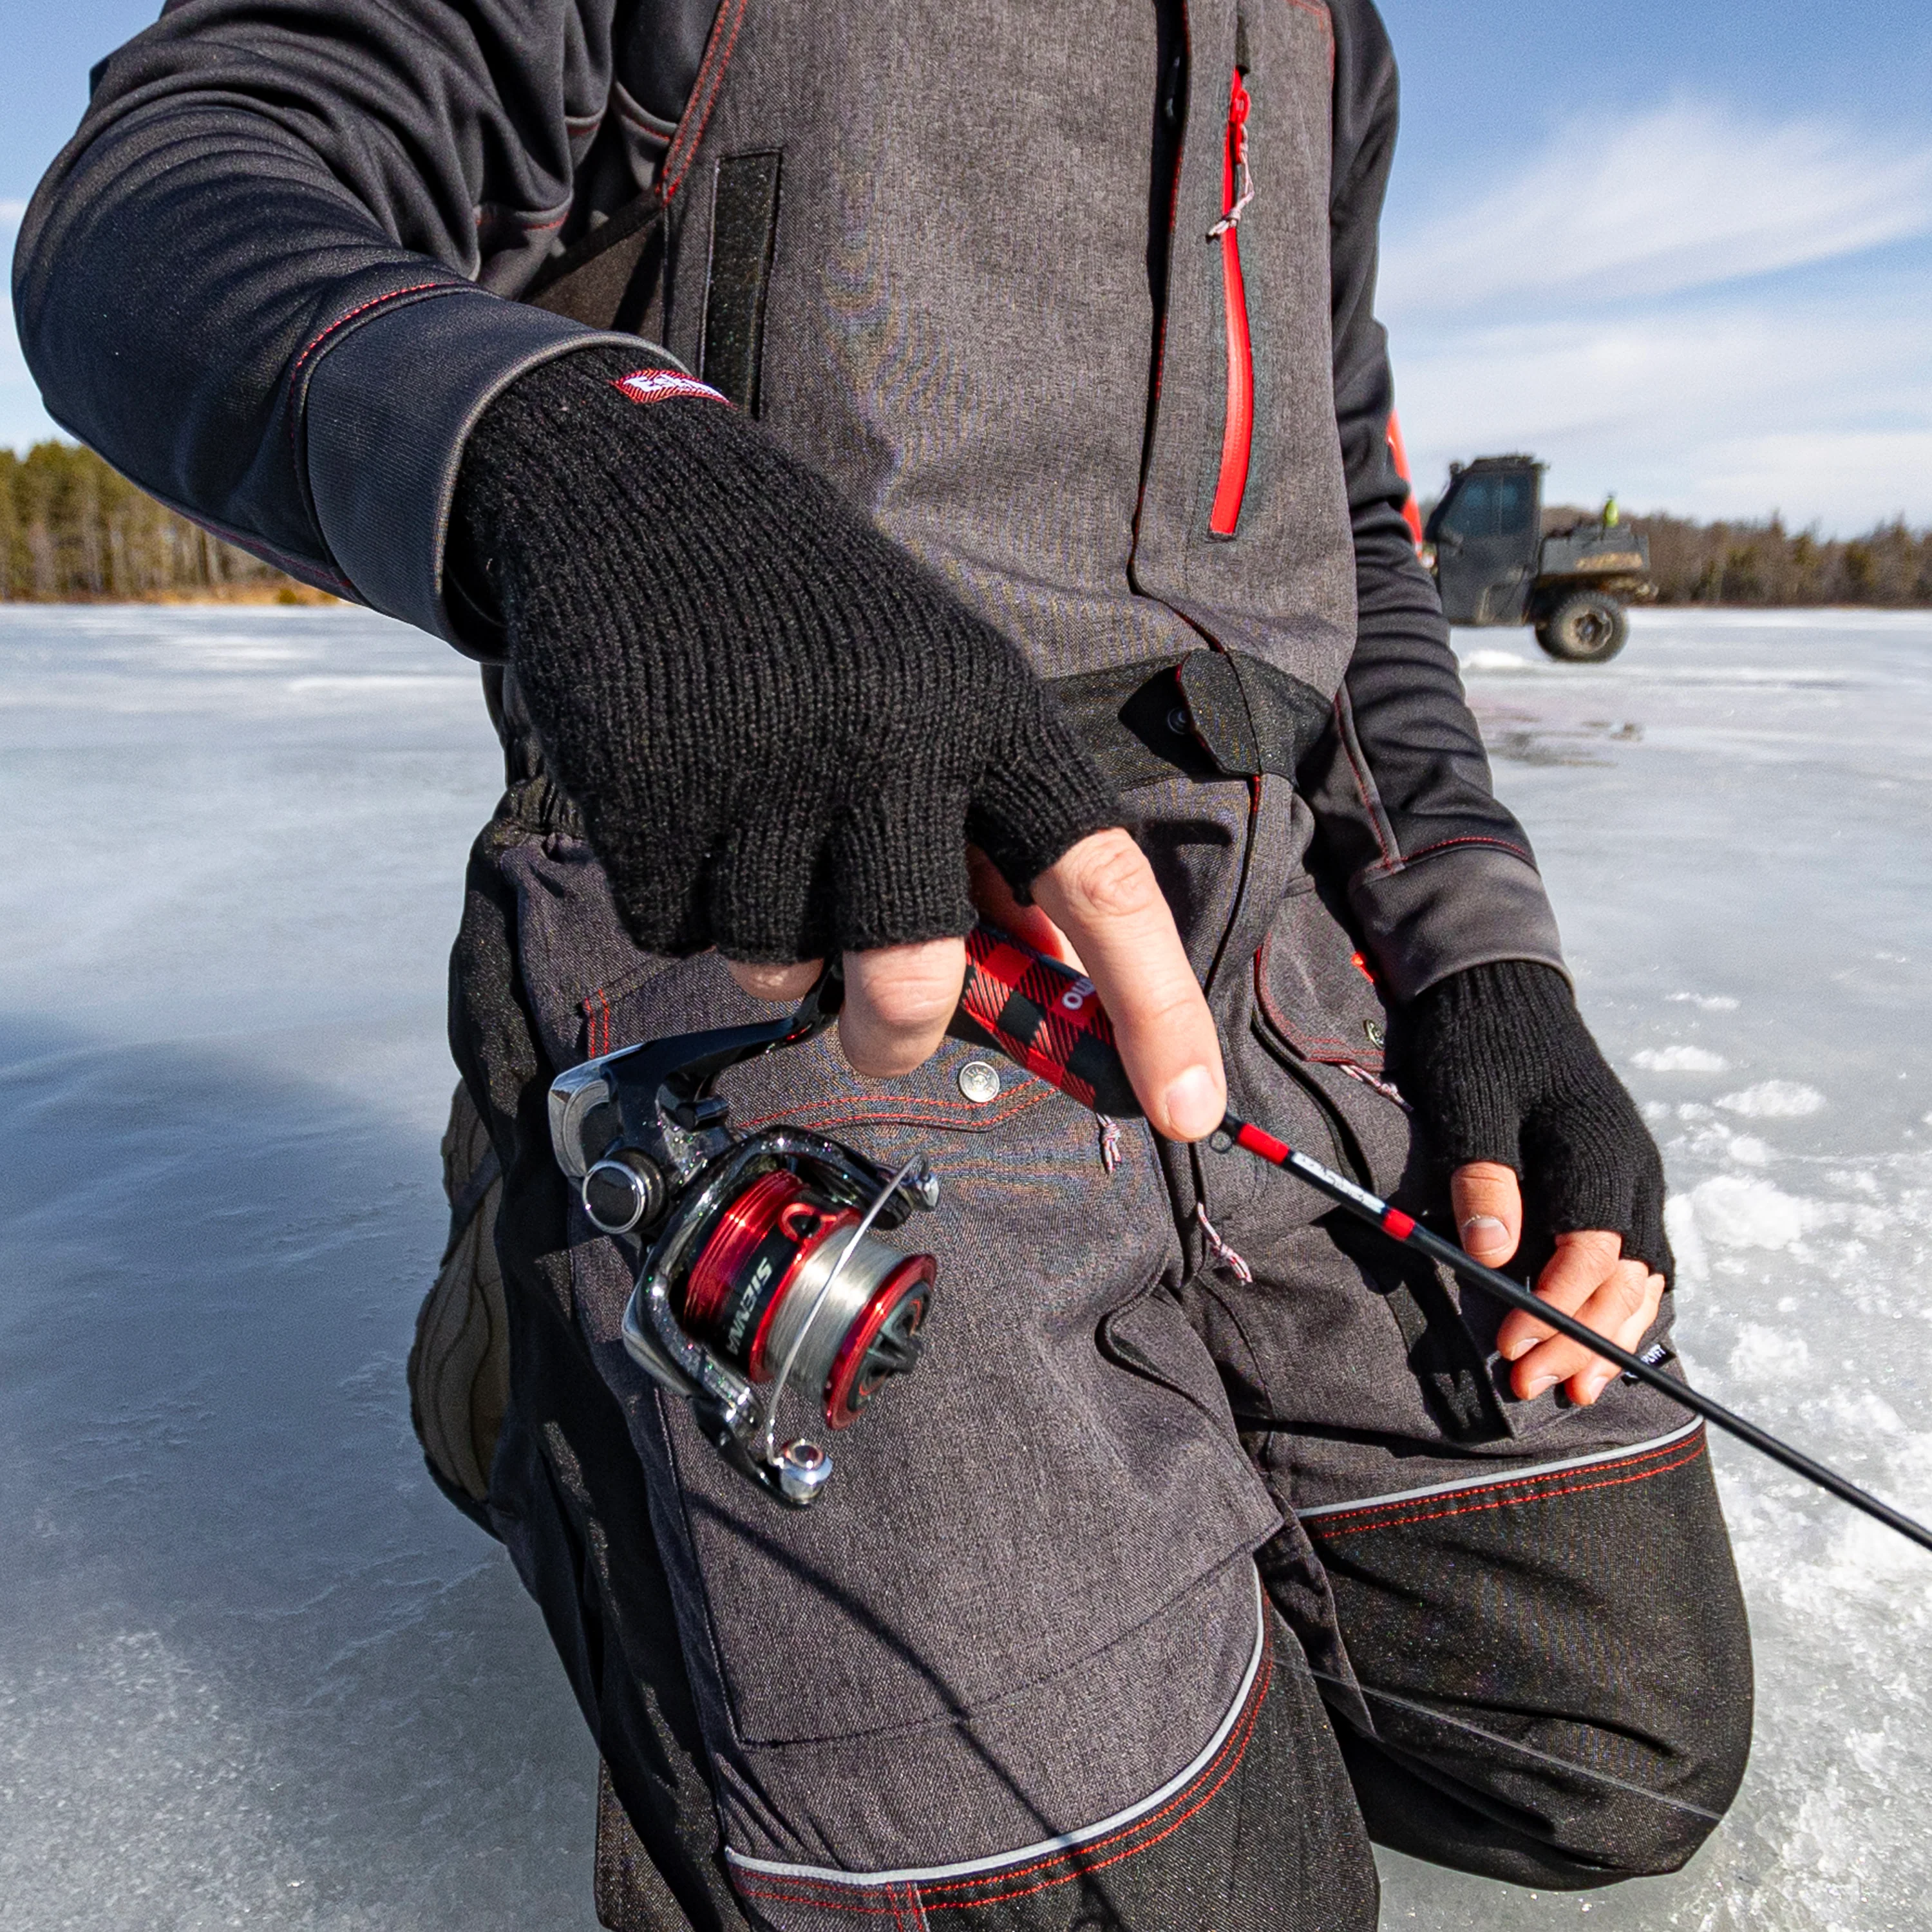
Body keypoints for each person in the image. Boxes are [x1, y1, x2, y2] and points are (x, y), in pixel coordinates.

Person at [14, 3, 1752, 1926]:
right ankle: (546, 1345)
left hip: (1258, 981)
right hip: (816, 945)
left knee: (1620, 1746)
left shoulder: (1333, 32)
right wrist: (583, 445)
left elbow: (1353, 520)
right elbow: (165, 188)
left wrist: (1489, 965)